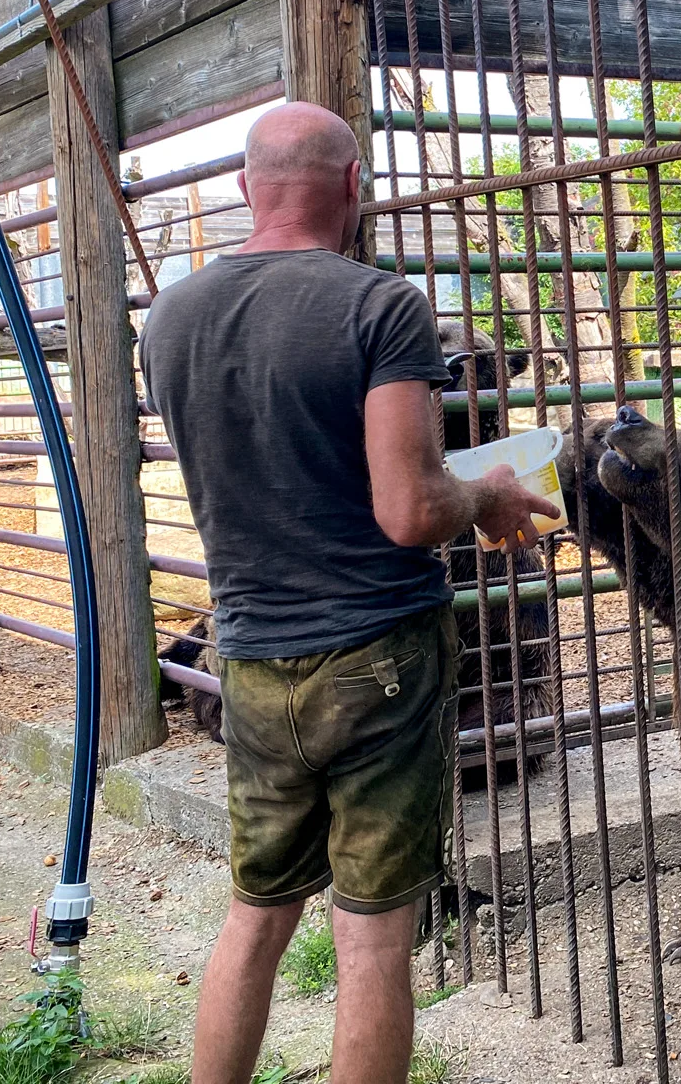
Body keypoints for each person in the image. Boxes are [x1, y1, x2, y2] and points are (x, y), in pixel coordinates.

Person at [139, 102, 557, 1084]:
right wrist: (487, 492)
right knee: (372, 941)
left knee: (255, 918)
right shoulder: (381, 306)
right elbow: (410, 508)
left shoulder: (171, 315)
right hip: (376, 655)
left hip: (249, 656)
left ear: (246, 187)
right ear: (353, 189)